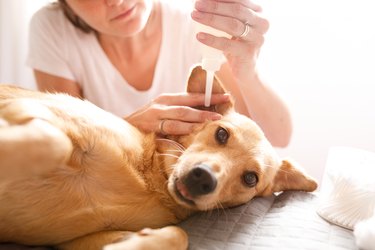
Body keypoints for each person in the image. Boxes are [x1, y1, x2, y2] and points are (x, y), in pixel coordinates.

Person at [27, 0, 292, 147]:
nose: (116, 1)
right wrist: (131, 127)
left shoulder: (197, 24)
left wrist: (248, 72)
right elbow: (64, 148)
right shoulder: (53, 28)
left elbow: (278, 137)